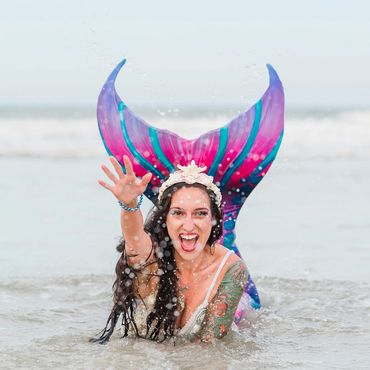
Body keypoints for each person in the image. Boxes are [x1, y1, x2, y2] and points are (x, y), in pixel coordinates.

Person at [91, 155, 249, 344]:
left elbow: (210, 347)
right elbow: (134, 244)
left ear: (214, 219)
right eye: (178, 213)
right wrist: (130, 205)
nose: (189, 226)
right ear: (165, 219)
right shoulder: (152, 258)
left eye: (200, 213)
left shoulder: (231, 268)